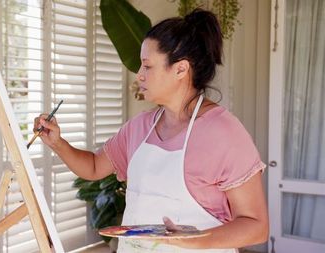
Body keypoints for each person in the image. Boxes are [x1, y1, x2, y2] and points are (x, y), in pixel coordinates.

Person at [34, 8, 269, 253]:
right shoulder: (140, 127)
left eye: (147, 66)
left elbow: (256, 226)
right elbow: (93, 167)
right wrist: (57, 143)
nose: (139, 75)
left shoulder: (224, 133)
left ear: (180, 69)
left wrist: (195, 240)